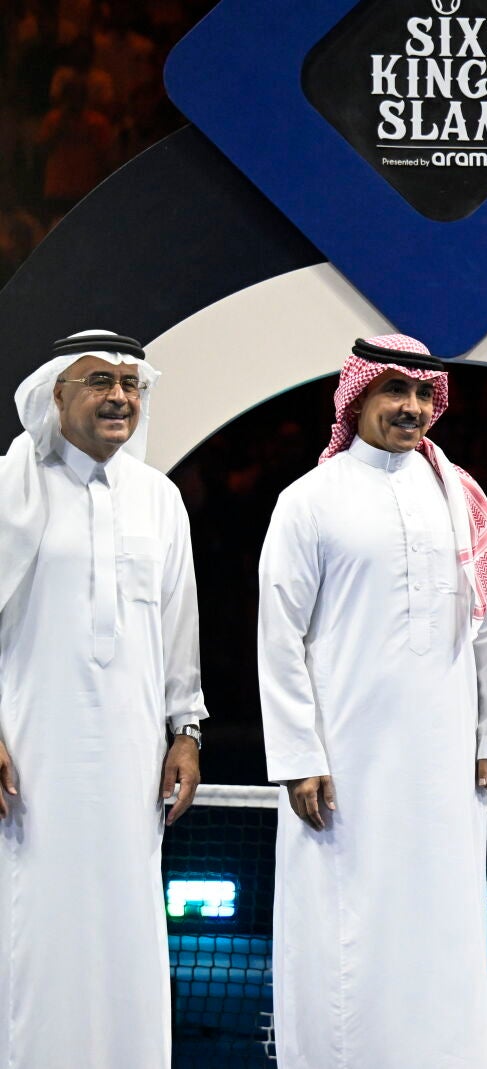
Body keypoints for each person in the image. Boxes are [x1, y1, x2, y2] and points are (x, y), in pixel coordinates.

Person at [258, 335, 487, 1068]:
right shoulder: (309, 500)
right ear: (356, 398)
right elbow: (279, 636)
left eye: (423, 394)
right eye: (395, 392)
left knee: (442, 918)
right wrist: (299, 754)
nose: (412, 407)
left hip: (444, 760)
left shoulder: (461, 497)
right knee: (345, 923)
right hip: (343, 762)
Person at [0, 330, 206, 1068]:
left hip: (131, 756)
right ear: (57, 394)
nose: (119, 397)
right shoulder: (11, 489)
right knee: (34, 919)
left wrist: (186, 731)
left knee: (127, 914)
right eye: (99, 382)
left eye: (130, 384)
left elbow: (179, 627)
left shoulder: (159, 499)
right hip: (32, 756)